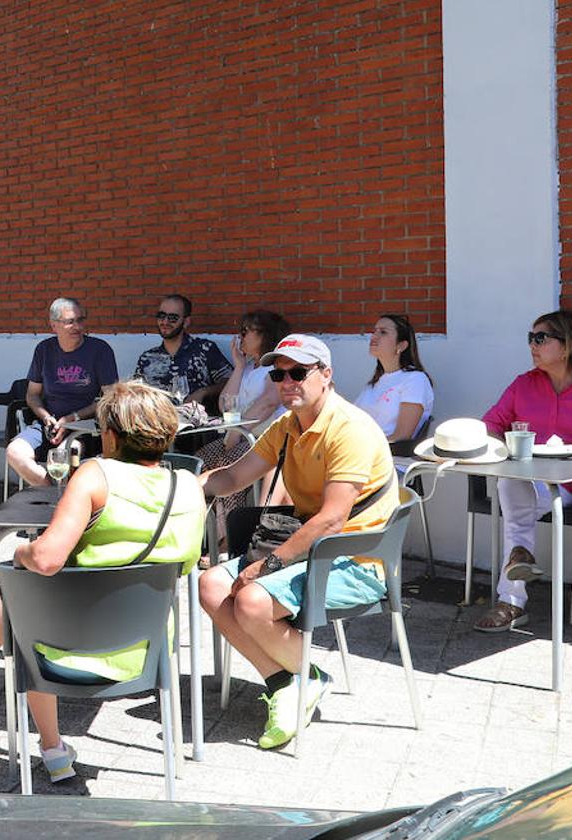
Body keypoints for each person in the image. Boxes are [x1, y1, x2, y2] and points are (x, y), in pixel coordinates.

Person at [0, 381, 205, 782]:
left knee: (26, 592)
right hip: (145, 646)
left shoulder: (96, 475)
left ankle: (48, 745)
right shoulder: (189, 485)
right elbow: (187, 563)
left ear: (109, 433)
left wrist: (20, 553)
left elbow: (48, 559)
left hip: (69, 646)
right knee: (29, 598)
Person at [198, 334, 398, 751]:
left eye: (298, 372)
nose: (287, 381)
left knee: (251, 600)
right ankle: (289, 681)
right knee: (211, 585)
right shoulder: (287, 426)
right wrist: (184, 487)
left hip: (356, 559)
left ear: (326, 374)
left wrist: (267, 565)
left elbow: (332, 518)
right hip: (309, 546)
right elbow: (234, 477)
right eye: (278, 373)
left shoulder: (349, 429)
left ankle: (304, 677)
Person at [474, 309, 572, 633]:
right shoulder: (523, 384)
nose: (532, 345)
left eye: (541, 338)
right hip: (531, 483)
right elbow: (490, 424)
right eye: (531, 338)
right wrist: (507, 447)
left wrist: (562, 454)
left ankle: (512, 598)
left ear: (567, 345)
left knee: (513, 494)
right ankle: (517, 565)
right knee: (510, 483)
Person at [6, 297, 118, 486]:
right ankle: (52, 494)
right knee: (14, 453)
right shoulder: (44, 350)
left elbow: (111, 398)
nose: (77, 326)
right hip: (49, 424)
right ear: (54, 326)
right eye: (70, 322)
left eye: (81, 320)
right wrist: (46, 418)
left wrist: (71, 418)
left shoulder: (99, 350)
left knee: (67, 455)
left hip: (85, 426)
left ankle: (65, 503)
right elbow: (32, 395)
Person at [197, 309, 292, 517]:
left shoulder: (274, 369)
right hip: (239, 437)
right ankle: (209, 529)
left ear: (265, 334)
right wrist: (239, 367)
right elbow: (225, 404)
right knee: (200, 461)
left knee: (227, 468)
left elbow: (268, 403)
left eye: (245, 331)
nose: (240, 337)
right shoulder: (249, 368)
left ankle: (227, 536)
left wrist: (237, 432)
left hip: (261, 440)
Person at [133, 294, 232, 405]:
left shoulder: (204, 350)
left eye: (173, 318)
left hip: (196, 419)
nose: (165, 322)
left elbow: (230, 381)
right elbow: (135, 393)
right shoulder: (147, 358)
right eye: (161, 316)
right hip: (158, 420)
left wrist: (203, 392)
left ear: (186, 322)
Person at [353, 314, 434, 443]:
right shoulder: (373, 384)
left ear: (401, 346)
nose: (373, 336)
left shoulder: (415, 380)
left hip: (388, 457)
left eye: (383, 332)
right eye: (375, 331)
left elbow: (401, 437)